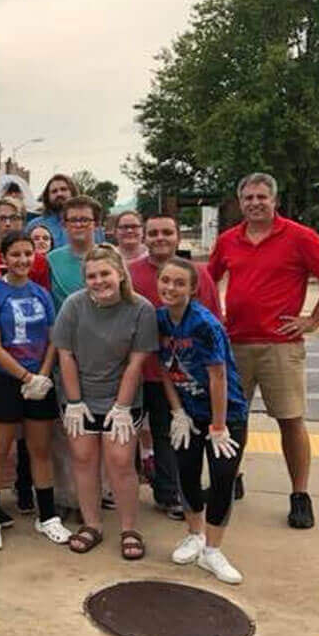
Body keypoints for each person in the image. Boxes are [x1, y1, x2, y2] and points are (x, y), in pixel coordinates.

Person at [208, 172, 319, 529]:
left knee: (290, 419)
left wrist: (314, 319)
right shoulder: (228, 240)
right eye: (249, 198)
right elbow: (210, 279)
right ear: (240, 203)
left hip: (280, 345)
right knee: (232, 419)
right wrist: (214, 319)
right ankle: (231, 477)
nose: (255, 203)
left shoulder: (299, 237)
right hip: (235, 343)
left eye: (261, 197)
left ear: (274, 201)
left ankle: (299, 495)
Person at [52, 244, 158, 559]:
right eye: (91, 276)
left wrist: (122, 407)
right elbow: (65, 354)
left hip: (121, 396)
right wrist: (74, 401)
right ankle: (92, 524)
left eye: (105, 274)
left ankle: (129, 528)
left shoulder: (141, 308)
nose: (99, 281)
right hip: (80, 395)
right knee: (83, 459)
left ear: (120, 274)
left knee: (121, 462)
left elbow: (136, 363)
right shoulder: (73, 305)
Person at [0, 232, 72, 550]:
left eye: (27, 254)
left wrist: (42, 375)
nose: (22, 260)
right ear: (4, 256)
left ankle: (47, 516)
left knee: (39, 450)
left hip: (39, 380)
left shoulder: (41, 294)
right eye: (15, 254)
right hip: (5, 380)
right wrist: (25, 377)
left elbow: (53, 337)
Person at [156, 258, 248, 584]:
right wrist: (177, 411)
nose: (170, 288)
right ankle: (194, 534)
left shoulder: (204, 324)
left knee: (223, 477)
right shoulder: (160, 320)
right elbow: (164, 370)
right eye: (165, 280)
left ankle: (213, 549)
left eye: (179, 283)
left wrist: (219, 425)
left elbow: (219, 376)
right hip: (188, 413)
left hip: (225, 413)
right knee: (187, 473)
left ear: (193, 289)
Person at [129, 215, 223, 520]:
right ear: (144, 237)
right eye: (153, 232)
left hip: (183, 373)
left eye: (167, 232)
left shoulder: (197, 274)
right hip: (141, 370)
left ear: (177, 236)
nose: (160, 237)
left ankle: (181, 492)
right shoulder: (131, 274)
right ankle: (155, 490)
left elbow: (213, 322)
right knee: (144, 434)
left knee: (180, 433)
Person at [48, 196, 103, 310]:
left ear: (96, 224)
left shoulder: (111, 258)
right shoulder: (51, 260)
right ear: (64, 225)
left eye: (84, 220)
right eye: (73, 220)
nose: (78, 225)